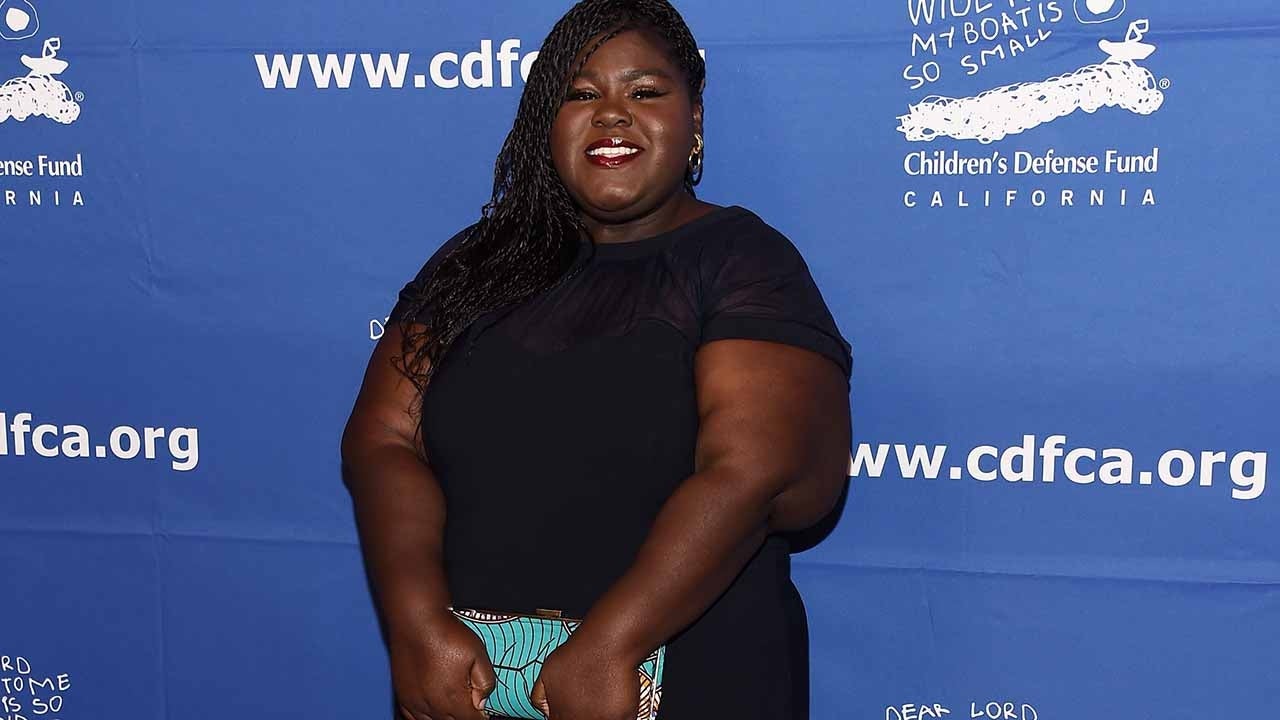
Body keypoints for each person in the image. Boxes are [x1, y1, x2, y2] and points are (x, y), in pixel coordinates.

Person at [340, 1, 852, 718]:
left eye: (644, 92)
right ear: (545, 125)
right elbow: (384, 438)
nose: (612, 115)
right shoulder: (474, 262)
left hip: (695, 686)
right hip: (477, 691)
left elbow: (758, 472)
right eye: (581, 95)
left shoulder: (742, 261)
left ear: (695, 120)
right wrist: (417, 619)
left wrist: (614, 642)